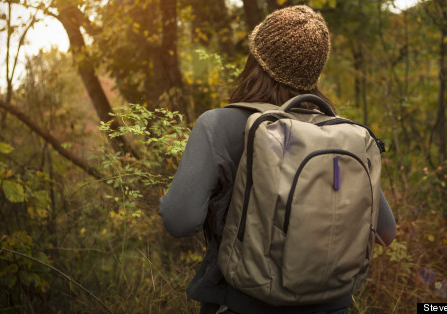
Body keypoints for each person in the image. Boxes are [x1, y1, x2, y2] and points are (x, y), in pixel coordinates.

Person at [159, 5, 396, 314]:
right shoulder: (342, 135)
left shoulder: (217, 125)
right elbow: (386, 232)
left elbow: (180, 220)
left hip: (244, 302)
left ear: (256, 59)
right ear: (314, 72)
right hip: (334, 306)